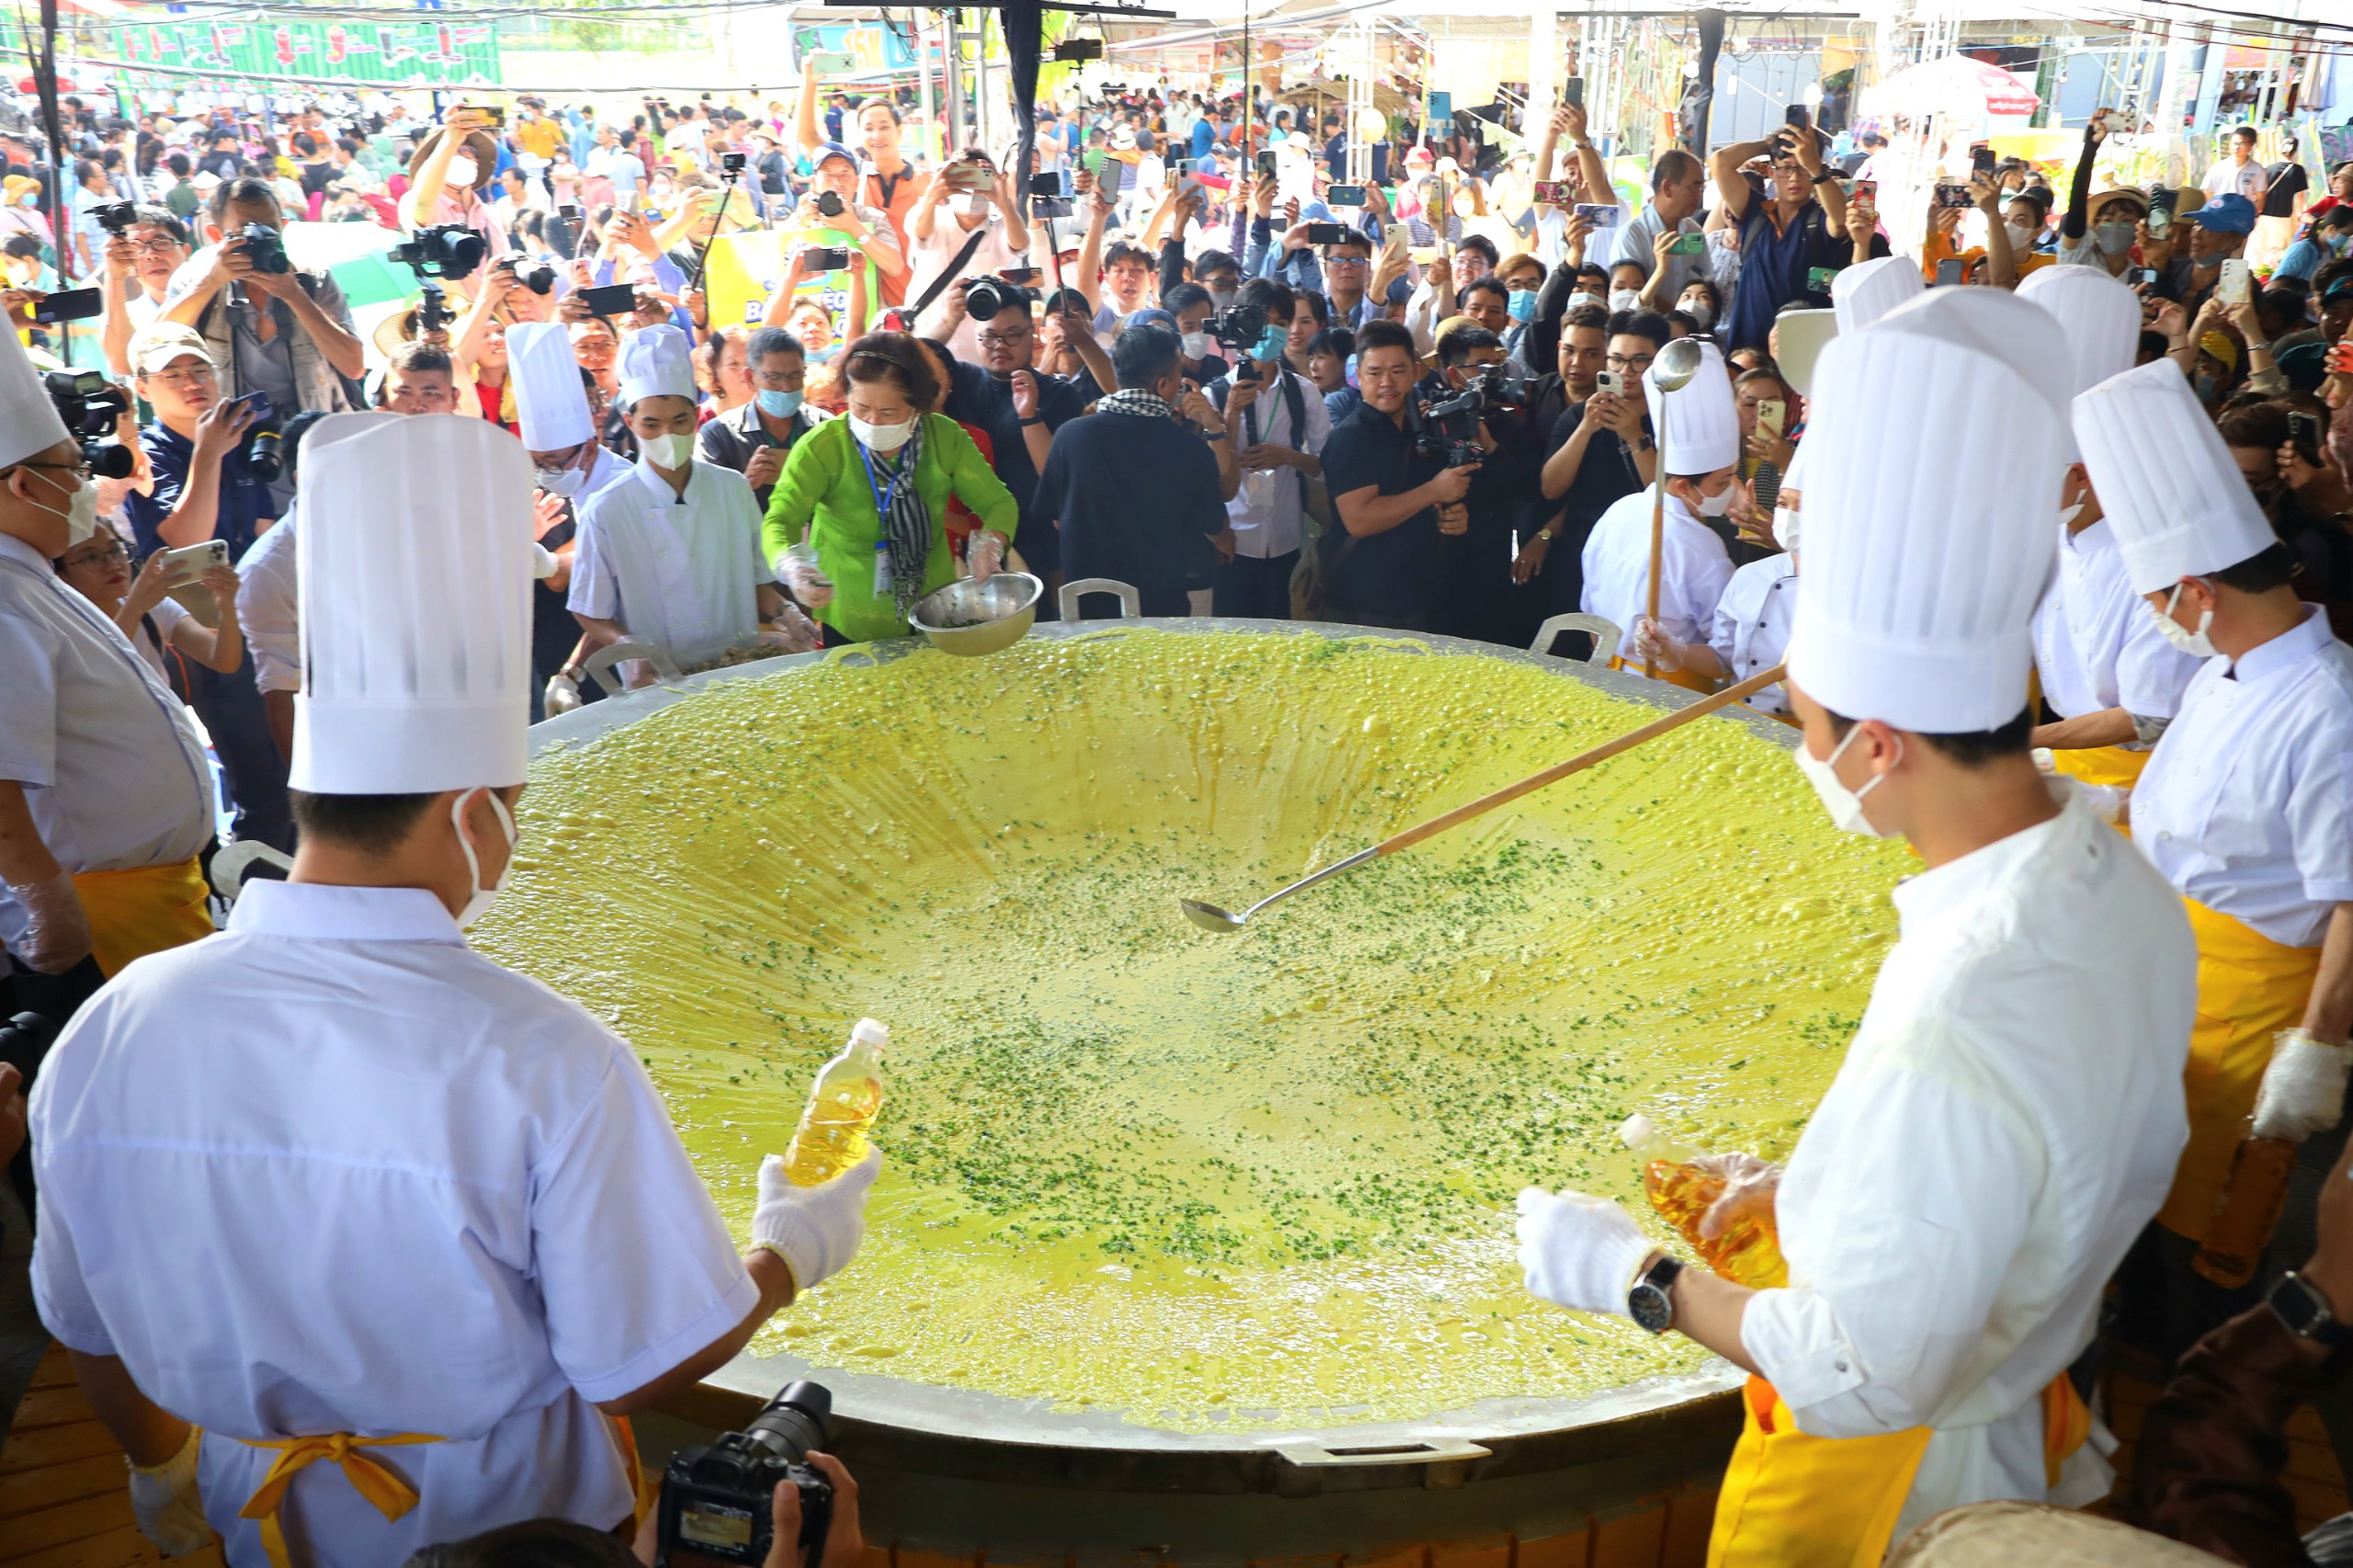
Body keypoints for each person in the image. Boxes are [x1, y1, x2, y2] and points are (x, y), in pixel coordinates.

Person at [28, 411, 885, 1564]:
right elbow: (640, 1357)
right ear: (473, 812)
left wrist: (159, 1467)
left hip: (253, 1505)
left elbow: (87, 1329)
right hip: (508, 1521)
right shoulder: (540, 1054)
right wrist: (791, 1246)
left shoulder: (112, 1024)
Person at [1515, 286, 2199, 1561]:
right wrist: (1812, 1193)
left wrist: (1632, 1274)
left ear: (1880, 747)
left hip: (1893, 1486)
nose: (1804, 753)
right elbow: (2034, 1174)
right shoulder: (2118, 884)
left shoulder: (1967, 1003)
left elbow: (1865, 1371)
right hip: (2030, 1392)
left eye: (1811, 729)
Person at [2075, 359, 2353, 1365]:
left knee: (2206, 1243)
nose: (2153, 616)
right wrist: (2092, 803)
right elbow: (2181, 812)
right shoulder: (2222, 675)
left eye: (2155, 596)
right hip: (2165, 979)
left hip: (2252, 1017)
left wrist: (2315, 1053)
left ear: (2193, 591)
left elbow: (2350, 900)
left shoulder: (2326, 709)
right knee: (2134, 1199)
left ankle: (2190, 1406)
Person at [0, 326, 215, 1026]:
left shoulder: (33, 578)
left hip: (152, 896)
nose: (88, 485)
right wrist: (47, 901)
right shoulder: (6, 597)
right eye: (74, 469)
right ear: (25, 484)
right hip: (103, 911)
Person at [2014, 266, 2202, 788]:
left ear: (2084, 474)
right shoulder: (2052, 534)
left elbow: (2147, 717)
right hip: (2068, 754)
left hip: (2148, 776)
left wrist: (2015, 746)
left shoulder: (2153, 562)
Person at [761, 331, 1018, 643]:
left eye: (889, 412)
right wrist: (792, 565)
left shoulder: (944, 438)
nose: (872, 422)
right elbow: (780, 519)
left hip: (931, 607)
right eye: (860, 408)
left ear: (919, 407)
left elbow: (999, 504)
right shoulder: (824, 446)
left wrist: (990, 546)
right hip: (848, 611)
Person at [569, 327, 795, 681]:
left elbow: (758, 580)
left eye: (679, 421)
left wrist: (786, 611)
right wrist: (629, 647)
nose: (668, 435)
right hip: (658, 678)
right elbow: (589, 609)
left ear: (695, 418)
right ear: (630, 422)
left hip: (739, 668)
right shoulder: (608, 510)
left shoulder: (733, 490)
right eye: (652, 424)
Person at [1034, 322, 1236, 619]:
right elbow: (1214, 527)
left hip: (1088, 608)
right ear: (1164, 384)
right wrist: (1227, 542)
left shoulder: (1070, 436)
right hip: (1160, 610)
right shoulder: (1189, 449)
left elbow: (1056, 520)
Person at [157, 176, 363, 455]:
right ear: (217, 236)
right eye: (247, 232)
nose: (262, 240)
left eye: (271, 230)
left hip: (309, 445)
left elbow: (353, 365)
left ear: (284, 227)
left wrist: (294, 295)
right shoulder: (195, 280)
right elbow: (158, 345)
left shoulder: (312, 279)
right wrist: (212, 282)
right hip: (229, 449)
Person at [1580, 336, 1737, 692]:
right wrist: (1675, 651)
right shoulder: (1703, 548)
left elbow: (1590, 606)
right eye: (1724, 481)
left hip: (1602, 676)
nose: (1732, 490)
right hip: (1672, 691)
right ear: (1684, 487)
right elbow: (1728, 652)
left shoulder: (1619, 509)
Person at [934, 289, 1098, 601]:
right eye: (990, 336)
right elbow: (910, 358)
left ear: (1032, 332)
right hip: (975, 541)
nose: (1000, 346)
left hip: (1044, 541)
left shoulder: (1059, 395)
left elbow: (1059, 477)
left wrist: (1030, 417)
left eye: (1012, 335)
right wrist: (949, 319)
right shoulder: (963, 382)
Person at [1316, 318, 1478, 631]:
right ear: (1358, 376)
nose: (1386, 382)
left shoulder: (1420, 428)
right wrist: (1434, 491)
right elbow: (1360, 520)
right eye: (1375, 373)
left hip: (1418, 594)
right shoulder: (1351, 437)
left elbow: (1428, 500)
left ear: (1416, 371)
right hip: (1363, 603)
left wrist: (1452, 515)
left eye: (1397, 371)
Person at [1205, 278, 1328, 620]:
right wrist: (1229, 416)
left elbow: (1325, 464)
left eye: (1280, 323)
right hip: (1233, 544)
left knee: (1282, 638)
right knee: (1233, 641)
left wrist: (1287, 457)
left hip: (1288, 540)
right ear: (1242, 325)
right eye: (1262, 323)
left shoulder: (1303, 393)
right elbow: (1209, 480)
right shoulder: (1214, 395)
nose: (1272, 332)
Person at [1710, 126, 1849, 352]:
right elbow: (1719, 162)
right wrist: (1772, 144)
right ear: (1772, 173)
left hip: (1800, 356)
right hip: (1746, 354)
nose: (1794, 178)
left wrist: (1814, 165)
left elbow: (1841, 220)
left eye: (1802, 169)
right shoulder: (1754, 211)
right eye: (1785, 169)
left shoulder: (1819, 219)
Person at [55, 523, 244, 687]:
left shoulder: (154, 608)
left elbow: (223, 661)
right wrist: (136, 607)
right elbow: (99, 673)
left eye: (115, 550)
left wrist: (227, 608)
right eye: (91, 558)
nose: (113, 565)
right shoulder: (60, 627)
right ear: (61, 575)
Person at [698, 326, 824, 515]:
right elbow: (704, 508)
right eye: (774, 377)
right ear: (750, 378)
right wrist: (745, 484)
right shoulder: (719, 436)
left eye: (795, 375)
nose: (786, 387)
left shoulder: (824, 428)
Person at [97, 204, 192, 379]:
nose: (151, 254)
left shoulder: (212, 296)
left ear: (186, 250)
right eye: (137, 247)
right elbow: (124, 365)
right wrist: (115, 277)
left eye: (161, 243)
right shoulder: (129, 315)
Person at [2204, 125, 2269, 208]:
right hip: (2219, 215)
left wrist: (2251, 215)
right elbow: (2207, 192)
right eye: (2234, 143)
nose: (2236, 147)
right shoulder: (2217, 167)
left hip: (2242, 217)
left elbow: (2261, 198)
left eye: (2241, 144)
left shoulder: (2257, 170)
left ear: (2251, 145)